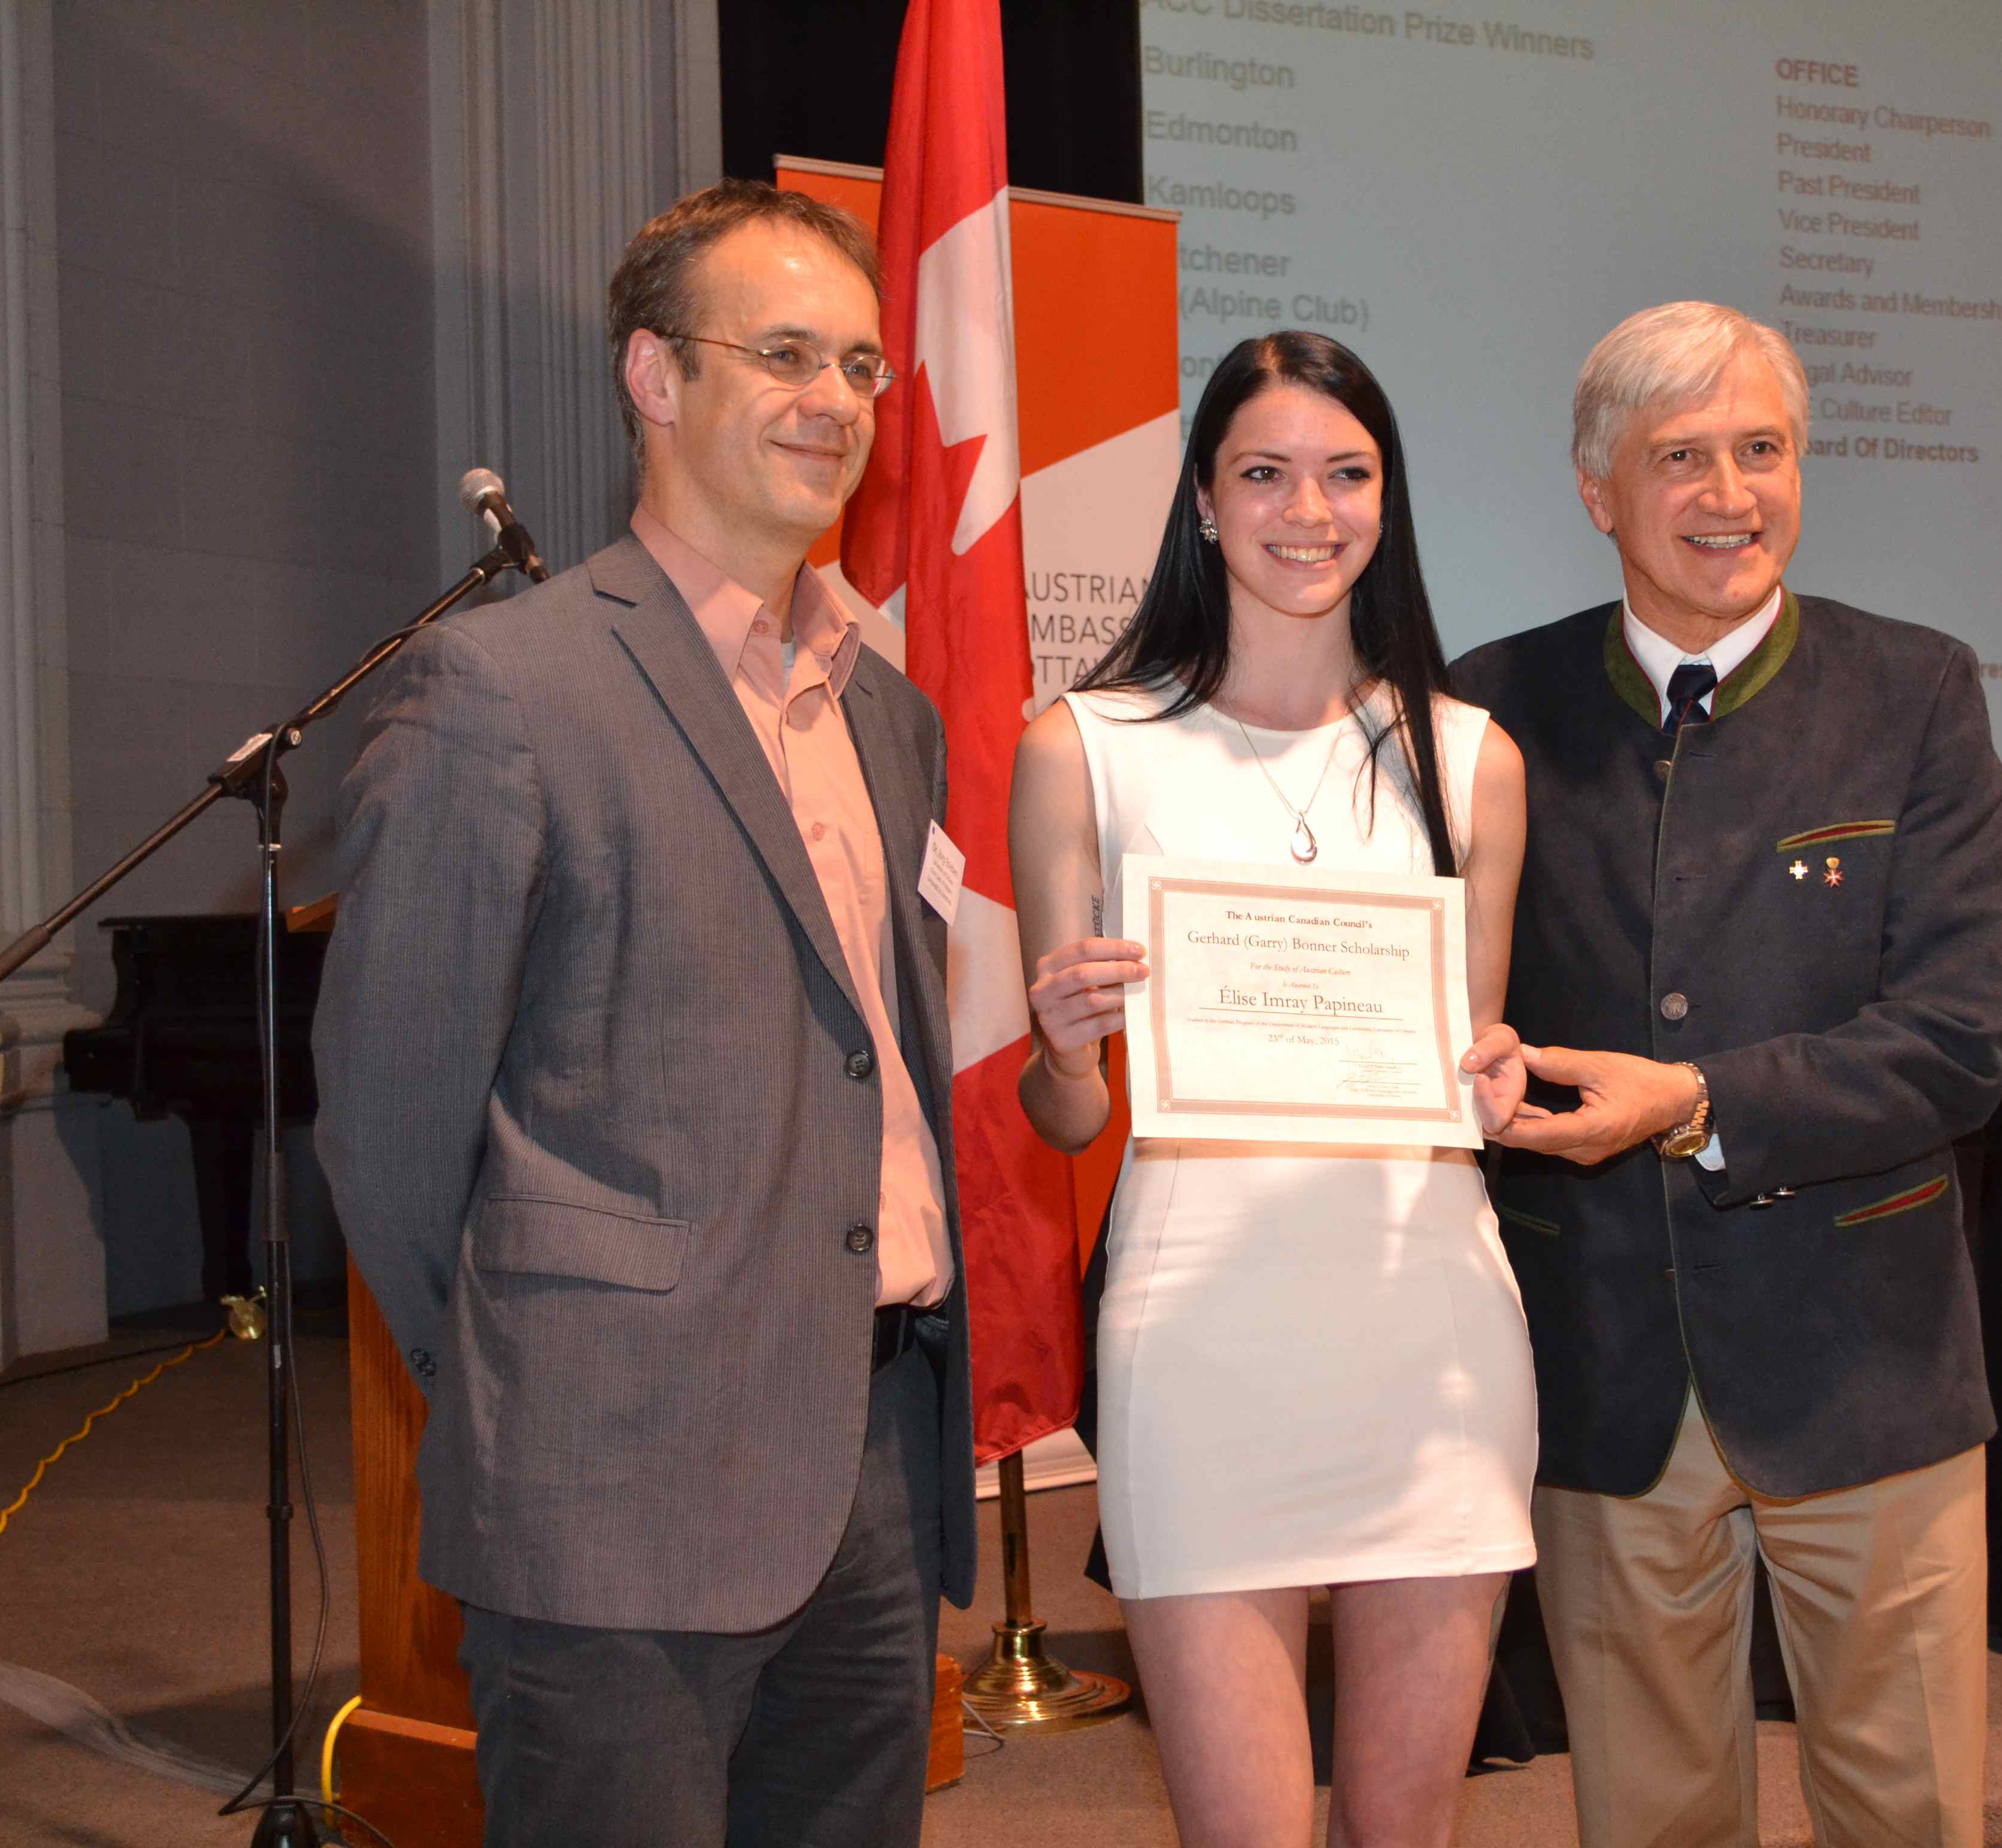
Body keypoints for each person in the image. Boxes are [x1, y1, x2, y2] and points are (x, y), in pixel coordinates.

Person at [313, 180, 972, 1848]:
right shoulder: (504, 692)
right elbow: (392, 1125)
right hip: (618, 1476)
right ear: (656, 380)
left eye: (866, 365)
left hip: (875, 1456)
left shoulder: (885, 716)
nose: (836, 401)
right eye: (786, 355)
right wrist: (551, 1390)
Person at [1450, 300, 2002, 1848]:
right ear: (1597, 493)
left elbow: (1962, 1039)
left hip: (1867, 1372)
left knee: (1907, 1814)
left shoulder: (1916, 694)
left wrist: (1696, 1103)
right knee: (1651, 1823)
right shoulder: (1487, 706)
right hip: (1603, 1369)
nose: (1730, 494)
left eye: (1761, 451)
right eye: (1682, 457)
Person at [1008, 330, 1536, 1848]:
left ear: (1389, 500)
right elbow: (1071, 1119)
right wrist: (1058, 1047)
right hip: (1201, 1336)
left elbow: (1472, 1063)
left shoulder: (1469, 758)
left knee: (1405, 1835)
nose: (1308, 510)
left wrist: (1494, 1082)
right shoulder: (1086, 749)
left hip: (1427, 1323)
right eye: (1264, 473)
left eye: (1347, 473)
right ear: (1202, 501)